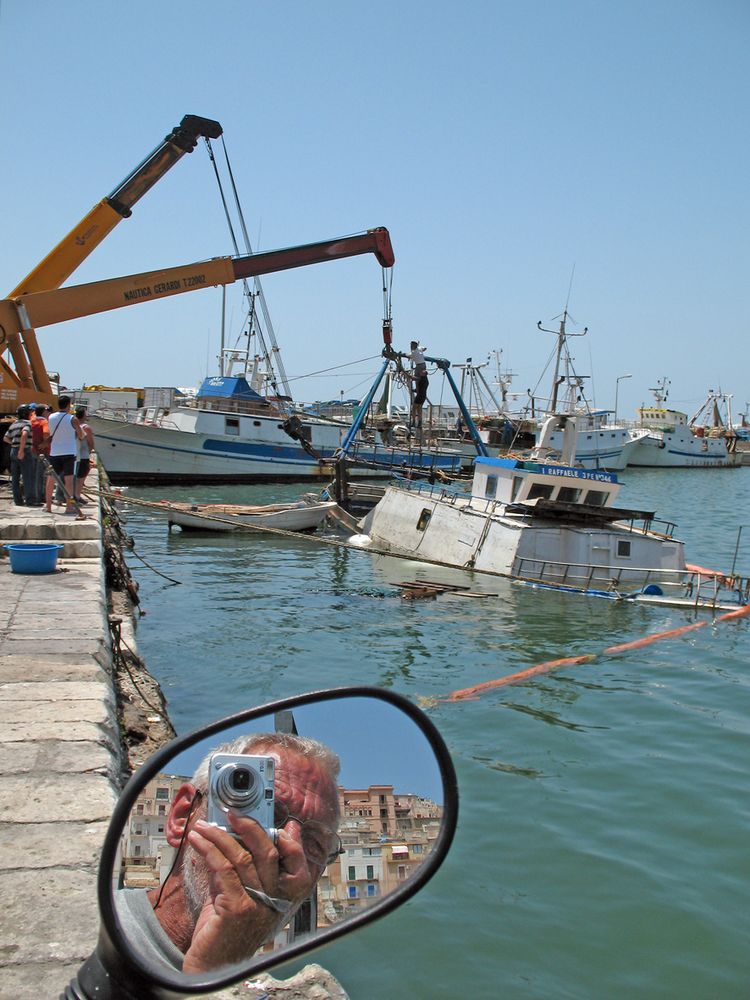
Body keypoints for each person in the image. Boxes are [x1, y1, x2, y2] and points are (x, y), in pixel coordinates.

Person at [116, 732, 341, 974]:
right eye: (266, 816)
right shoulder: (104, 931)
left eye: (314, 844)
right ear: (182, 818)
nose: (291, 849)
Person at [45, 395, 83, 514]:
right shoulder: (73, 419)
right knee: (69, 481)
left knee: (51, 479)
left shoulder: (51, 416)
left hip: (54, 452)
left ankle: (48, 507)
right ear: (68, 405)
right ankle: (69, 507)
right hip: (69, 452)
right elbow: (81, 435)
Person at [3, 405, 35, 505]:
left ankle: (18, 501)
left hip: (13, 451)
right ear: (26, 414)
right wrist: (21, 450)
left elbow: (5, 438)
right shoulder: (27, 423)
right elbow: (25, 434)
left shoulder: (14, 424)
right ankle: (29, 501)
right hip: (24, 451)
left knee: (15, 478)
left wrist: (14, 444)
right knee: (27, 477)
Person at [30, 403, 51, 505]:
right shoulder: (44, 421)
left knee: (32, 474)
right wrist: (45, 443)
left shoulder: (31, 420)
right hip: (42, 452)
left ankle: (32, 495)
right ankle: (39, 497)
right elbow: (46, 433)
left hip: (32, 450)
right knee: (41, 475)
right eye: (47, 410)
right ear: (43, 412)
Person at [74, 406, 96, 501]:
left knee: (74, 477)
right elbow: (91, 443)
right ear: (83, 415)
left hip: (74, 454)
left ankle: (73, 495)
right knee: (81, 478)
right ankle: (77, 496)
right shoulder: (86, 428)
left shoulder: (73, 426)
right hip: (83, 455)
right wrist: (90, 451)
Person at [408, 340, 429, 428]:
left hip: (419, 365)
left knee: (414, 407)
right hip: (423, 364)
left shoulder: (413, 352)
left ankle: (413, 421)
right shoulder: (419, 349)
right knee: (419, 407)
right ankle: (419, 422)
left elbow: (408, 355)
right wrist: (421, 351)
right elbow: (425, 348)